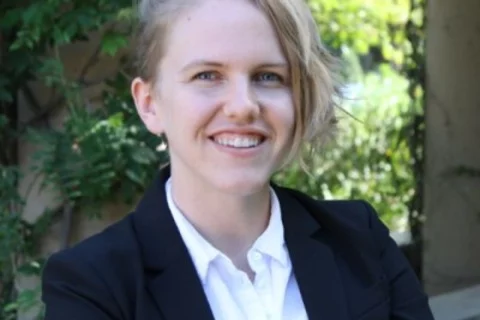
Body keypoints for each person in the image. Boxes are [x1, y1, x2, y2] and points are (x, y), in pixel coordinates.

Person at [41, 0, 434, 319]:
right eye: (207, 76)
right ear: (149, 104)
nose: (244, 107)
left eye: (268, 77)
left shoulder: (360, 240)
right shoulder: (91, 285)